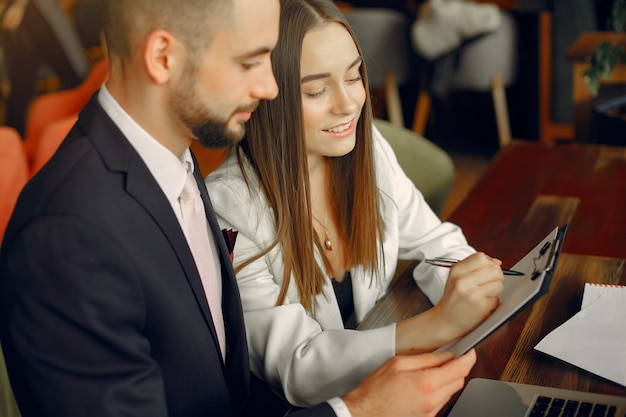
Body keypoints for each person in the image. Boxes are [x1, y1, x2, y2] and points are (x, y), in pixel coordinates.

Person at [0, 0, 478, 416]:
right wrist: (361, 410)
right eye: (250, 62)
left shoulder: (173, 169)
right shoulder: (67, 235)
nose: (272, 88)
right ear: (163, 57)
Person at [205, 0, 504, 407]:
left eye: (353, 77)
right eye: (316, 90)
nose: (348, 104)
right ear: (268, 95)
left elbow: (436, 244)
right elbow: (298, 367)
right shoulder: (229, 206)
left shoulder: (367, 150)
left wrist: (468, 290)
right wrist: (436, 325)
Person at [0, 0, 90, 135]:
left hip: (32, 10)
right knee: (20, 83)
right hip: (22, 13)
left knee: (71, 73)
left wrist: (18, 6)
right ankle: (13, 139)